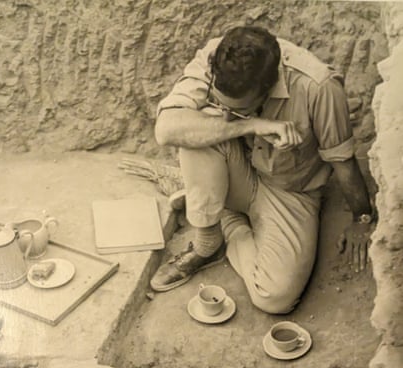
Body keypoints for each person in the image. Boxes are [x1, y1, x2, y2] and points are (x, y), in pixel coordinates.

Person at [150, 26, 376, 314]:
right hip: (236, 166)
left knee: (275, 297)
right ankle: (208, 242)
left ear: (268, 89)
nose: (231, 112)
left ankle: (225, 220)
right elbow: (166, 130)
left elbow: (342, 162)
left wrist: (362, 217)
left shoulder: (318, 86)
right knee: (194, 133)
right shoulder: (219, 56)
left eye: (242, 109)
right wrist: (252, 124)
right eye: (224, 103)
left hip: (289, 191)